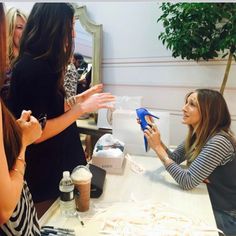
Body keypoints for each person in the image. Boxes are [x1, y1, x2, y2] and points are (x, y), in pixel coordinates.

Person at [7, 3, 115, 204]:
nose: (73, 34)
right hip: (47, 178)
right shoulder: (32, 68)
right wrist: (80, 109)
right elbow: (37, 132)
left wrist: (79, 100)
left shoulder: (45, 65)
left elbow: (50, 109)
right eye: (69, 26)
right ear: (53, 26)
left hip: (59, 169)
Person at [142, 89, 236, 235]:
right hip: (206, 200)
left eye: (191, 104)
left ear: (208, 113)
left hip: (224, 214)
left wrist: (158, 148)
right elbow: (174, 159)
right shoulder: (198, 135)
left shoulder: (219, 141)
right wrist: (155, 136)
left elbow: (188, 181)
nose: (184, 108)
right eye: (186, 102)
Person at [0, 3, 42, 235]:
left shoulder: (25, 64)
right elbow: (5, 209)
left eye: (26, 28)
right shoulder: (8, 72)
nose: (23, 33)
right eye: (18, 27)